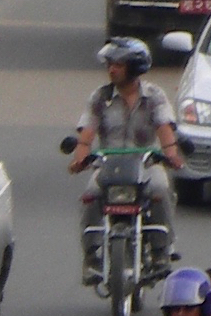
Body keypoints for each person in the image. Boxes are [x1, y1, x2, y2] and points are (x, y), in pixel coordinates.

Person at [65, 33, 185, 256]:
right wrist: (79, 159)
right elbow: (86, 134)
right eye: (110, 64)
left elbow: (165, 128)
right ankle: (91, 252)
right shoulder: (100, 97)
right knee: (91, 194)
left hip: (147, 163)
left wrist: (172, 155)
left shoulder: (154, 96)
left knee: (160, 189)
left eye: (118, 65)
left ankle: (162, 247)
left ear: (134, 68)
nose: (112, 70)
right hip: (108, 164)